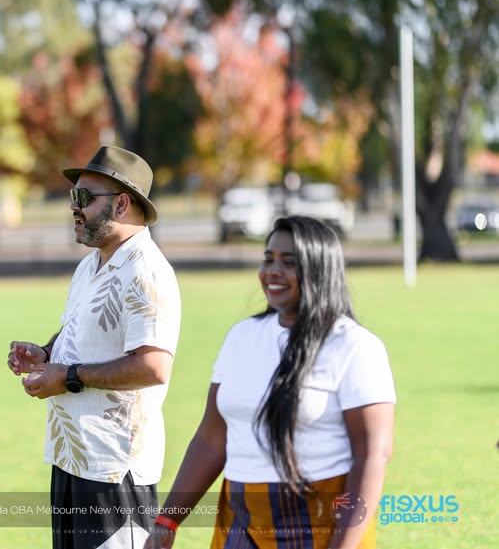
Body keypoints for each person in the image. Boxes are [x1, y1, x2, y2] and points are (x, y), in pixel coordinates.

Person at [144, 216, 396, 549]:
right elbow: (211, 438)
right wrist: (167, 521)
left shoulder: (355, 346)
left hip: (319, 523)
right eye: (268, 259)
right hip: (241, 519)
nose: (273, 271)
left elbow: (372, 455)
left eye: (289, 262)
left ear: (320, 269)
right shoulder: (242, 337)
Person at [7, 146, 182, 549]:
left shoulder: (146, 271)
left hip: (113, 470)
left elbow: (153, 366)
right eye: (73, 197)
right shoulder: (92, 263)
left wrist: (67, 376)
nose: (74, 207)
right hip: (72, 461)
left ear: (122, 204)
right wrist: (48, 354)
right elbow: (82, 332)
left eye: (84, 197)